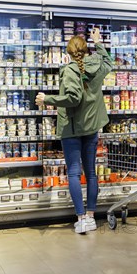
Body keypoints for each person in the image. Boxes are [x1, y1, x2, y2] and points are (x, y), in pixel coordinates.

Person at [36, 28, 113, 234]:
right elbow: (108, 63)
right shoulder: (97, 65)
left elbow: (72, 98)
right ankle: (91, 216)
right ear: (87, 50)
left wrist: (47, 99)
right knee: (91, 173)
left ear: (68, 52)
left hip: (72, 127)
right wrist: (98, 42)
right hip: (91, 127)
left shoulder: (70, 70)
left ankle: (80, 218)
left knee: (73, 172)